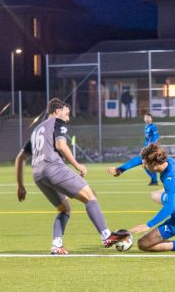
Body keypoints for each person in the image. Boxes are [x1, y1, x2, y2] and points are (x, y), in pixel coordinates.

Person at [15, 98, 129, 254]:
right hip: (53, 168)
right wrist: (77, 165)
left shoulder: (36, 131)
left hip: (38, 176)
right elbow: (61, 145)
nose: (67, 118)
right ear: (57, 111)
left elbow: (19, 158)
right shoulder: (57, 122)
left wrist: (20, 186)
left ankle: (56, 245)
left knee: (64, 209)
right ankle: (106, 236)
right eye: (66, 114)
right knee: (90, 196)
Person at [127, 144, 175, 252]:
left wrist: (148, 225)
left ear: (153, 163)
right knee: (154, 195)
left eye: (146, 164)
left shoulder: (172, 177)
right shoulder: (168, 162)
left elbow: (171, 206)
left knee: (143, 244)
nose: (144, 167)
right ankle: (172, 198)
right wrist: (120, 169)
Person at [107, 112, 160, 186]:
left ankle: (119, 170)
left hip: (151, 150)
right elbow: (147, 139)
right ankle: (154, 180)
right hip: (147, 149)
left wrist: (150, 147)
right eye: (145, 117)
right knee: (145, 165)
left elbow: (156, 137)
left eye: (148, 117)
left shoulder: (153, 126)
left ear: (151, 119)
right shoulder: (146, 127)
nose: (146, 119)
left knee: (139, 162)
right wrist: (144, 147)